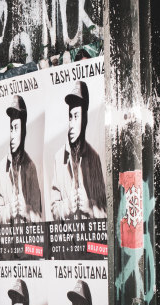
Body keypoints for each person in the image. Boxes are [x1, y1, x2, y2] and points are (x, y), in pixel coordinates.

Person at [50, 81, 106, 220]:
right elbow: (53, 209)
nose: (72, 124)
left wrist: (90, 208)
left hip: (89, 239)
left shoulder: (94, 157)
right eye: (70, 116)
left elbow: (105, 209)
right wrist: (67, 206)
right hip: (67, 240)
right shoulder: (59, 157)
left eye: (76, 116)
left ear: (84, 119)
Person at [0, 96, 43, 224]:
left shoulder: (30, 166)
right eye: (11, 128)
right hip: (8, 241)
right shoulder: (2, 166)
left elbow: (39, 215)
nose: (12, 135)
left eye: (16, 128)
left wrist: (27, 211)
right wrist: (9, 210)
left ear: (23, 131)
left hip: (26, 240)